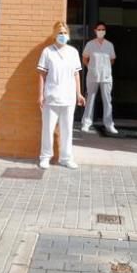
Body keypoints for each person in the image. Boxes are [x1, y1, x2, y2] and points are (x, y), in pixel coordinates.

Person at [37, 21, 85, 170]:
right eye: (59, 32)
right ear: (54, 34)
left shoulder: (73, 52)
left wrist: (79, 94)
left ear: (68, 35)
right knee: (48, 129)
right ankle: (45, 157)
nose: (62, 35)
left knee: (67, 130)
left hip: (68, 98)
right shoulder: (47, 51)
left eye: (64, 33)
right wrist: (40, 95)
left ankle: (66, 158)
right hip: (51, 97)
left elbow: (76, 74)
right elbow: (41, 75)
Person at [80, 22, 118, 135]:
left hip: (106, 77)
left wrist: (105, 68)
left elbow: (112, 59)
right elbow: (85, 58)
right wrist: (91, 68)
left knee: (107, 100)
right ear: (95, 30)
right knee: (90, 99)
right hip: (93, 76)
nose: (101, 31)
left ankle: (109, 124)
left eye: (103, 29)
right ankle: (86, 123)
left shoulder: (109, 45)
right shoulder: (90, 44)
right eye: (99, 29)